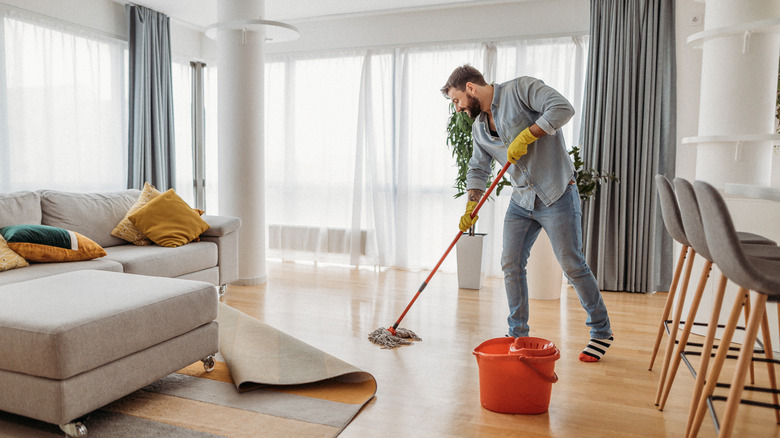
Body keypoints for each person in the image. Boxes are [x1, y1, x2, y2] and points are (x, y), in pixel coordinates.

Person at [441, 64, 613, 362]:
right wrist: (472, 202)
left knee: (572, 264)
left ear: (470, 88)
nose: (457, 109)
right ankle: (517, 332)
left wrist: (528, 134)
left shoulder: (520, 90)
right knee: (511, 263)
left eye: (456, 100)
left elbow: (563, 108)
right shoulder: (480, 127)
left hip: (556, 191)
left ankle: (600, 331)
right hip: (522, 200)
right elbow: (478, 168)